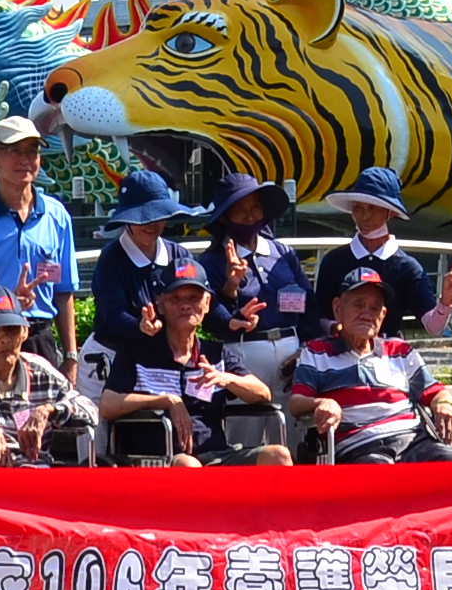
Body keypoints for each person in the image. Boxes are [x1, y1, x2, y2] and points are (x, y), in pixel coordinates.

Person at [101, 259, 290, 464]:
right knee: (188, 465)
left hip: (216, 454)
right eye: (175, 299)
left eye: (194, 298)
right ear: (160, 305)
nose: (185, 306)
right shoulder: (137, 351)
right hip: (160, 459)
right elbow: (108, 405)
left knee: (278, 456)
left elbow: (262, 393)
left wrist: (225, 379)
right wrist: (167, 400)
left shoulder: (215, 354)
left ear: (207, 303)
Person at [288, 263, 452, 462]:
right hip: (359, 446)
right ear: (338, 309)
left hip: (414, 440)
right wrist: (322, 402)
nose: (367, 313)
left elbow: (436, 391)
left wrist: (444, 404)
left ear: (382, 315)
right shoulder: (316, 352)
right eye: (358, 304)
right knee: (380, 474)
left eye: (375, 308)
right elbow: (296, 402)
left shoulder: (399, 350)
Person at [0, 115, 82, 364]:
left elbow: (64, 291)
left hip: (40, 338)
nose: (25, 160)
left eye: (32, 151)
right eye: (15, 151)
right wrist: (7, 303)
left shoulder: (56, 216)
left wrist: (70, 356)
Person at [198, 173, 313, 401]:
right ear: (224, 217)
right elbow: (212, 319)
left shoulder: (283, 253)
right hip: (243, 356)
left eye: (256, 207)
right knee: (244, 430)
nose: (250, 216)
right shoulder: (212, 261)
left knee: (292, 429)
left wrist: (306, 350)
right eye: (241, 209)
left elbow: (310, 304)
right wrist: (231, 286)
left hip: (292, 354)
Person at [0, 303, 100, 464]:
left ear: (24, 332)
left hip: (34, 474)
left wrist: (49, 410)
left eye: (12, 330)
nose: (5, 340)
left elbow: (90, 409)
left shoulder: (41, 372)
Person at [84, 168, 196, 385]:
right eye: (143, 218)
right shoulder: (111, 258)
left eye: (158, 216)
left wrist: (230, 297)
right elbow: (113, 314)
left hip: (160, 362)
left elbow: (201, 300)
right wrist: (140, 326)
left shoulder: (179, 255)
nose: (152, 224)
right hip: (109, 358)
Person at [307, 166, 452, 331]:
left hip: (389, 353)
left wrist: (446, 300)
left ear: (390, 213)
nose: (364, 216)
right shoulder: (333, 261)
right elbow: (319, 316)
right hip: (340, 352)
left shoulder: (407, 267)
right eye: (358, 208)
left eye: (372, 208)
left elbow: (433, 326)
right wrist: (338, 329)